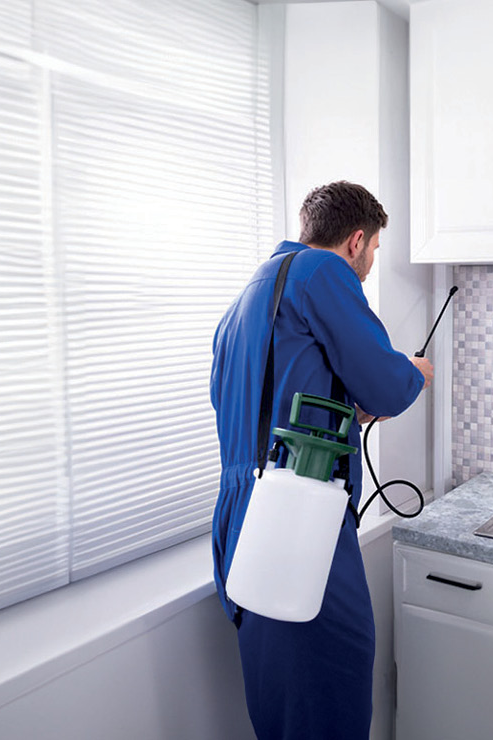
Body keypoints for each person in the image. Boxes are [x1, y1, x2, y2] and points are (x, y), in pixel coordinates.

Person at [211, 180, 433, 739]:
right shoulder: (322, 273)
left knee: (282, 703)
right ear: (356, 241)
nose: (370, 265)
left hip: (241, 519)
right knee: (332, 694)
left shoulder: (250, 293)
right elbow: (385, 384)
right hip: (298, 517)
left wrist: (345, 412)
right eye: (374, 250)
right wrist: (413, 374)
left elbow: (254, 406)